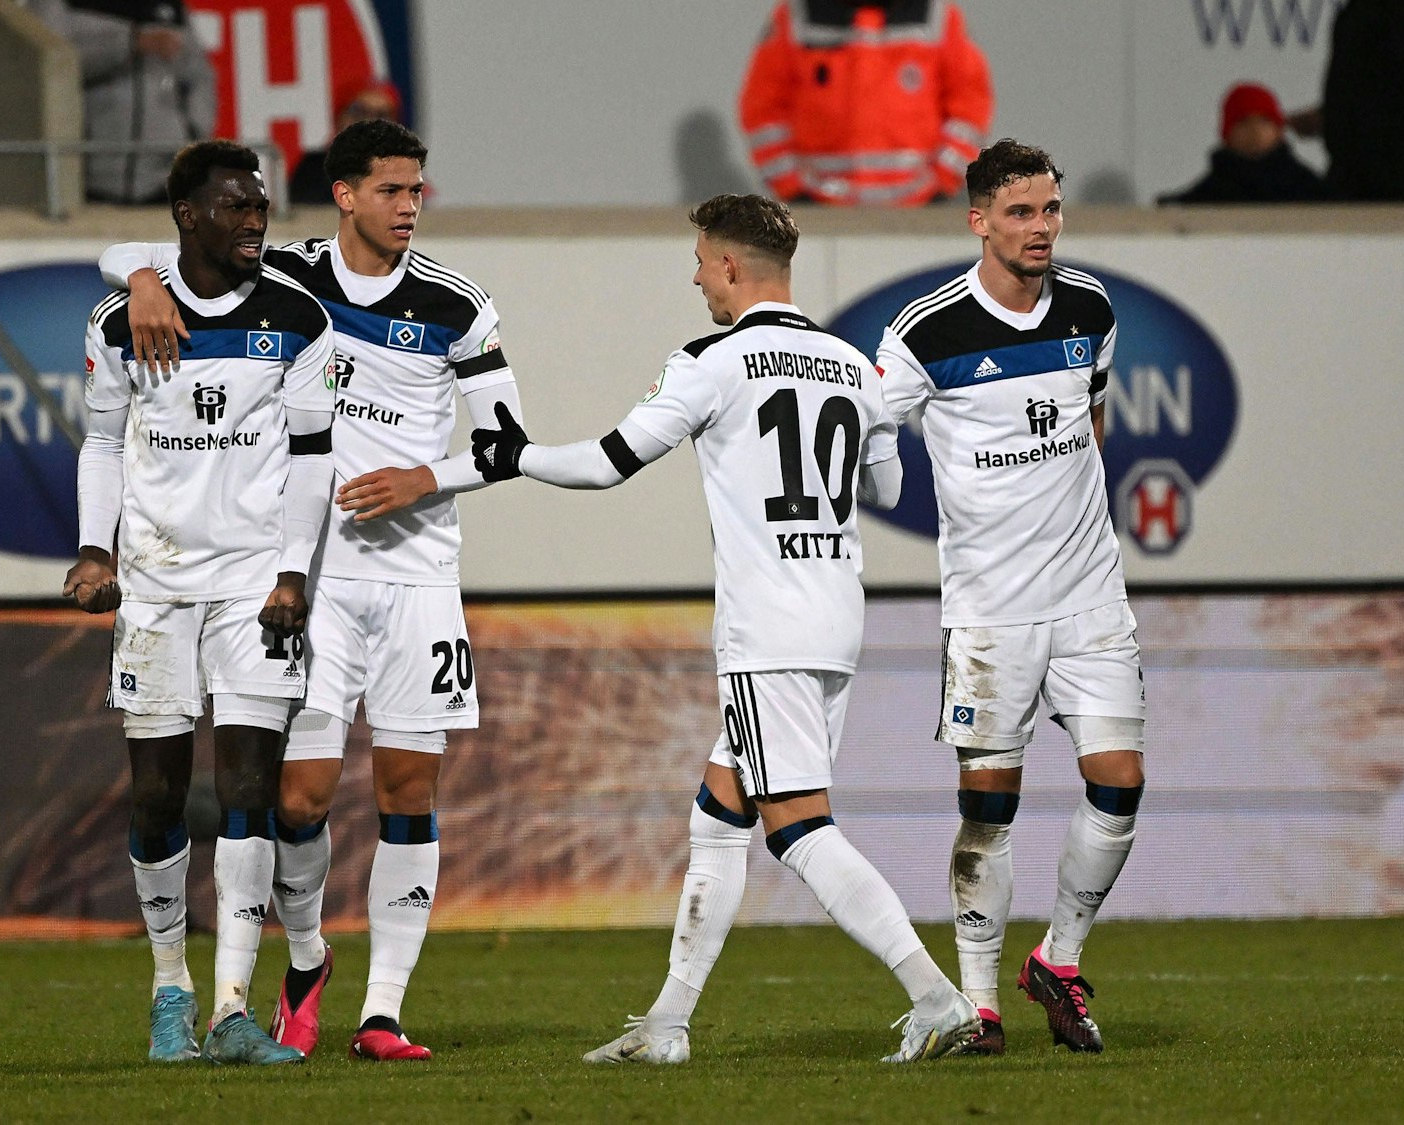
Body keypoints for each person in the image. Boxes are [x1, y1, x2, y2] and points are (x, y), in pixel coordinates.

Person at [468, 193, 979, 1064]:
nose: (697, 277)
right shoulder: (852, 364)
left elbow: (608, 463)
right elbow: (889, 491)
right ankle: (666, 1024)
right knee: (718, 813)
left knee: (799, 828)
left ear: (733, 266)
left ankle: (936, 998)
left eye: (702, 262)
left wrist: (514, 454)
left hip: (767, 627)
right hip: (835, 616)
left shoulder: (712, 360)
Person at [100, 118, 523, 1063]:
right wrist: (138, 279)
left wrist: (426, 478)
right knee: (296, 798)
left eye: (418, 191)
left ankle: (383, 1012)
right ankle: (306, 957)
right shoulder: (287, 277)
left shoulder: (456, 304)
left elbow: (506, 446)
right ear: (345, 194)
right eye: (392, 190)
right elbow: (148, 253)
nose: (409, 207)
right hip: (314, 580)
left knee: (409, 786)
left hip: (418, 577)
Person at [63, 140, 336, 1064]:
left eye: (260, 205)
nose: (255, 220)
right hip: (154, 584)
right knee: (156, 798)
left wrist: (294, 572)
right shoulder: (119, 320)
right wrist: (94, 550)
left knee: (250, 788)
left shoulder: (295, 316)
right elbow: (104, 443)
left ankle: (231, 1010)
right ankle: (169, 989)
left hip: (253, 584)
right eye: (236, 207)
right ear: (187, 216)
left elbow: (313, 457)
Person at [874, 139, 1146, 1055]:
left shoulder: (1091, 308)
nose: (1041, 227)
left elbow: (1091, 419)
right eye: (1021, 212)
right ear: (979, 221)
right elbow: (867, 429)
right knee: (988, 806)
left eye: (1051, 209)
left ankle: (1058, 959)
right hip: (990, 614)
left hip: (1090, 597)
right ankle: (979, 1004)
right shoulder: (926, 331)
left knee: (1120, 782)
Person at [738, 1, 993, 207]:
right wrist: (792, 188)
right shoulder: (797, 15)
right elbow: (763, 110)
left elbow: (970, 105)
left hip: (918, 213)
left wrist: (941, 183)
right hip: (819, 214)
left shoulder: (938, 16)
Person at [24, 0, 218, 204]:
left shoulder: (170, 4)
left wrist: (192, 131)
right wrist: (129, 41)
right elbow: (43, 60)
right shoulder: (55, 4)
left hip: (165, 181)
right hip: (88, 179)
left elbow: (200, 75)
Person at [1289, 0, 1404, 201]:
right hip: (1375, 177)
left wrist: (1340, 119)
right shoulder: (1368, 11)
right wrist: (1331, 117)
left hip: (1390, 184)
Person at [1155, 82, 1329, 204]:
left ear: (1278, 131)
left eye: (1264, 121)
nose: (1255, 130)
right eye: (1243, 122)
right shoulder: (1211, 193)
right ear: (1227, 134)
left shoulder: (1310, 190)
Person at [288, 82, 404, 206]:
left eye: (381, 115)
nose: (370, 122)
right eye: (359, 112)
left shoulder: (406, 171)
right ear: (340, 118)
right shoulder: (313, 167)